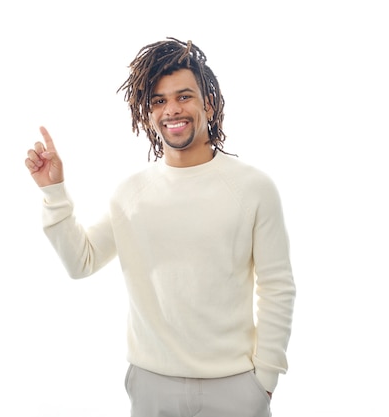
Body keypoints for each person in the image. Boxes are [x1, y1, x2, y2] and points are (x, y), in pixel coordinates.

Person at [24, 38, 295, 417]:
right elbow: (80, 263)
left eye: (184, 96)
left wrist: (265, 380)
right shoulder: (132, 193)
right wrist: (54, 192)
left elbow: (277, 285)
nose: (172, 110)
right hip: (152, 386)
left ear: (209, 105)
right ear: (147, 114)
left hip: (235, 386)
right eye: (158, 101)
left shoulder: (252, 188)